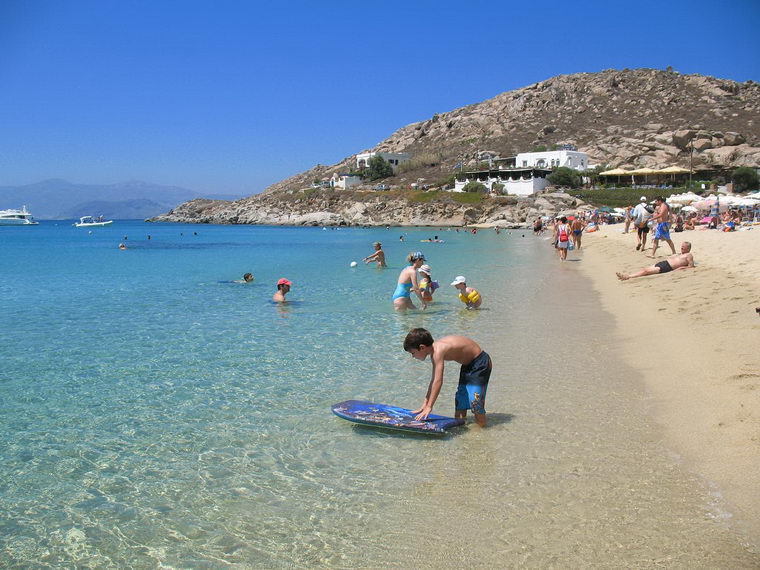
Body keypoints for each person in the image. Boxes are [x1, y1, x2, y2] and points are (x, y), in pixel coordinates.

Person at [404, 328, 492, 427]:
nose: (413, 356)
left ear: (422, 347)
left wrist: (429, 407)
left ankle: (482, 429)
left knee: (475, 401)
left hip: (480, 363)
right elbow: (433, 381)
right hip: (467, 365)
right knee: (461, 399)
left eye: (413, 353)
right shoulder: (434, 351)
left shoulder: (438, 351)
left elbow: (438, 381)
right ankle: (462, 428)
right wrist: (425, 404)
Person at [616, 242, 694, 280]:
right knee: (645, 270)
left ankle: (628, 277)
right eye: (681, 246)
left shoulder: (689, 255)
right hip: (664, 263)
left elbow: (691, 266)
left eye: (684, 247)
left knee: (646, 271)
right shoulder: (680, 254)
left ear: (688, 248)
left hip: (667, 267)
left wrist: (682, 268)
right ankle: (629, 275)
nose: (682, 248)